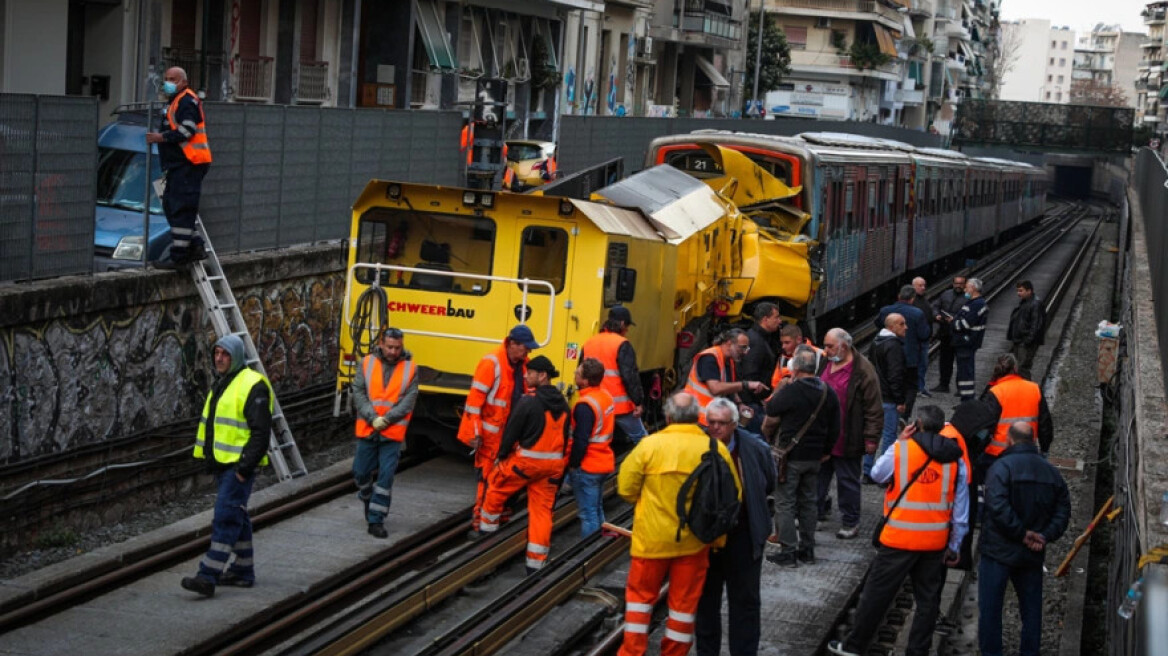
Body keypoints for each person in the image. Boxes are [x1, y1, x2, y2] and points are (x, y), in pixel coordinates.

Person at [827, 406, 968, 656]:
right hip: (935, 542)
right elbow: (960, 510)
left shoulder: (901, 450)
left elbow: (877, 473)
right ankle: (918, 651)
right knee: (928, 600)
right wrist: (955, 545)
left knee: (877, 594)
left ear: (917, 425)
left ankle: (854, 645)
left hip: (898, 539)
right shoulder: (956, 459)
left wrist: (898, 442)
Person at [617, 393, 741, 656]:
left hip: (650, 541)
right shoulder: (714, 449)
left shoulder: (650, 446)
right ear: (698, 417)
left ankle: (632, 652)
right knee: (683, 608)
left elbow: (625, 488)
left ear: (669, 416)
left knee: (639, 602)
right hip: (694, 543)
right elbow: (733, 496)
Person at [181, 334, 271, 597]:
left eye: (225, 354)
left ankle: (207, 575)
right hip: (224, 464)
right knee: (237, 516)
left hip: (237, 466)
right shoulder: (225, 382)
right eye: (216, 353)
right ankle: (243, 571)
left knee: (225, 517)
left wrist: (244, 468)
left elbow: (260, 433)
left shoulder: (253, 384)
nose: (219, 358)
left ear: (237, 357)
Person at [978, 422, 1071, 656]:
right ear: (1034, 440)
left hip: (998, 551)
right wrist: (1045, 535)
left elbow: (997, 506)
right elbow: (1063, 511)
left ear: (1010, 439)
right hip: (1032, 554)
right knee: (1031, 611)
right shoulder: (1051, 472)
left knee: (990, 611)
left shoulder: (1001, 468)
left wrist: (1021, 533)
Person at [472, 356, 570, 573]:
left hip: (525, 464)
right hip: (552, 468)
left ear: (542, 375)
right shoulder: (563, 405)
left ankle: (486, 543)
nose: (526, 376)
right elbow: (565, 440)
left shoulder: (528, 401)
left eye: (530, 373)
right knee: (542, 513)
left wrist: (502, 455)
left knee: (495, 488)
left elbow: (511, 434)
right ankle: (535, 565)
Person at [695, 398, 776, 656]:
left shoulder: (753, 448)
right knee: (707, 603)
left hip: (743, 535)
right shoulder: (697, 449)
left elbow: (768, 483)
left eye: (722, 423)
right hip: (707, 539)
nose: (716, 428)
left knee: (745, 603)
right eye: (712, 423)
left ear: (734, 424)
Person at [762, 349, 840, 566]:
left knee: (785, 502)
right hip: (815, 457)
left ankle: (788, 551)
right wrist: (826, 450)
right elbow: (836, 426)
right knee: (808, 503)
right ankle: (808, 549)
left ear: (795, 368)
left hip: (790, 457)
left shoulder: (792, 390)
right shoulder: (827, 391)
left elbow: (772, 409)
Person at [457, 324, 538, 533]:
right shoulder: (491, 363)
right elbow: (474, 403)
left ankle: (499, 519)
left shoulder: (523, 365)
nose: (528, 352)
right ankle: (479, 524)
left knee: (509, 479)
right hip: (491, 436)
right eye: (525, 348)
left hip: (512, 436)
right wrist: (475, 432)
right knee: (487, 480)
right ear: (512, 344)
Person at [351, 326, 418, 539]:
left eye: (397, 348)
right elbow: (358, 392)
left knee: (386, 477)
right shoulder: (367, 363)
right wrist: (373, 418)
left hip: (392, 433)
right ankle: (367, 497)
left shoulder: (411, 368)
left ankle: (376, 520)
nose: (393, 351)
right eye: (389, 347)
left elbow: (408, 401)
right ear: (381, 344)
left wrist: (387, 420)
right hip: (368, 428)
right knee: (360, 472)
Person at [816, 328, 883, 539]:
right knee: (817, 479)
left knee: (847, 481)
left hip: (848, 436)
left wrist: (871, 438)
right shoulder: (824, 362)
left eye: (829, 346)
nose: (825, 350)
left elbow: (873, 408)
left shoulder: (863, 370)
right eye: (825, 346)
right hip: (822, 437)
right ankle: (815, 514)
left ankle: (850, 521)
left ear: (843, 346)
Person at [146, 66, 211, 268]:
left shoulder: (186, 100)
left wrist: (161, 137)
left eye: (172, 79)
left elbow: (188, 130)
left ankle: (179, 256)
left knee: (181, 208)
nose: (168, 82)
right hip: (182, 164)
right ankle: (195, 245)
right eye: (166, 78)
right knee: (171, 205)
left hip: (190, 162)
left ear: (183, 81)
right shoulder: (176, 101)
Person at [580, 306, 647, 444]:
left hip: (595, 405)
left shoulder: (589, 343)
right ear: (622, 324)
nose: (627, 330)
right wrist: (638, 402)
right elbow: (630, 377)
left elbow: (580, 374)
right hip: (619, 407)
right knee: (642, 439)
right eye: (627, 326)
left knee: (593, 441)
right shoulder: (621, 344)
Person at [567, 358, 615, 538]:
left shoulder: (585, 406)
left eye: (577, 374)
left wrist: (572, 464)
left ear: (585, 381)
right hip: (603, 462)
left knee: (588, 515)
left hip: (588, 466)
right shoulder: (605, 396)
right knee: (596, 507)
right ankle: (600, 544)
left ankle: (590, 551)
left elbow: (581, 440)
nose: (574, 375)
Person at [683, 328, 767, 425]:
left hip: (714, 420)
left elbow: (728, 386)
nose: (745, 352)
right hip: (699, 420)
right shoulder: (709, 358)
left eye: (746, 348)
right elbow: (715, 388)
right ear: (729, 343)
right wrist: (746, 384)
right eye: (742, 347)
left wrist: (739, 404)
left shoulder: (729, 360)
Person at [981, 353, 1054, 461]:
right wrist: (1044, 449)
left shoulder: (996, 391)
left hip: (996, 453)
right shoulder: (1034, 389)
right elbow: (1045, 424)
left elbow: (985, 425)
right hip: (1027, 451)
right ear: (1015, 368)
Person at [865, 313, 907, 480]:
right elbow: (895, 375)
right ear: (891, 327)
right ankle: (884, 473)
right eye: (902, 324)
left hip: (875, 396)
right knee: (889, 435)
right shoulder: (894, 346)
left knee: (872, 433)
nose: (906, 327)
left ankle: (867, 471)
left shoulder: (875, 342)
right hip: (889, 398)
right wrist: (900, 400)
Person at [874, 286, 929, 414]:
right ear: (912, 298)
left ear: (899, 296)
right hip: (910, 358)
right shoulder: (918, 313)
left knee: (888, 383)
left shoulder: (885, 311)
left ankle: (888, 411)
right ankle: (904, 414)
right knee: (910, 387)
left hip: (887, 356)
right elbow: (924, 334)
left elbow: (877, 325)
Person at [738, 302, 783, 431]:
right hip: (752, 404)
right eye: (776, 317)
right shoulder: (756, 343)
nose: (779, 321)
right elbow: (749, 374)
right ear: (765, 319)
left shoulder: (759, 338)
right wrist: (761, 398)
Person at [948, 278, 988, 400]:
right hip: (966, 342)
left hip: (967, 342)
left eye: (967, 287)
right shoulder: (973, 303)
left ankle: (967, 400)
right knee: (963, 372)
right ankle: (965, 399)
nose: (965, 289)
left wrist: (953, 322)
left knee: (966, 373)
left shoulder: (976, 304)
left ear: (973, 288)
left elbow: (965, 324)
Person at [931, 275, 968, 394]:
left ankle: (961, 388)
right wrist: (937, 314)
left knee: (961, 362)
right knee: (945, 360)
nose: (958, 286)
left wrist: (955, 319)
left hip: (960, 334)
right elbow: (935, 306)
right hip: (946, 333)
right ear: (953, 284)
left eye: (961, 283)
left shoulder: (968, 297)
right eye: (956, 283)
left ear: (965, 285)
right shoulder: (945, 294)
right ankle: (943, 384)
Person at [1007, 280, 1046, 380]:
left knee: (1022, 368)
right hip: (1020, 341)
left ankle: (1026, 391)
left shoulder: (1035, 304)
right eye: (1017, 291)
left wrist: (1027, 341)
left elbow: (1036, 325)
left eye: (1021, 291)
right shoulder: (1025, 302)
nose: (1018, 293)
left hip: (1025, 342)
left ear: (1029, 291)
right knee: (1018, 367)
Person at [770, 324, 825, 389]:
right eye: (782, 343)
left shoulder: (820, 355)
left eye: (787, 342)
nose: (783, 346)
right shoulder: (782, 358)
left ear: (798, 339)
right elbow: (775, 384)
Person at [910, 277, 933, 396]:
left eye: (924, 285)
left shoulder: (923, 300)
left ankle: (920, 387)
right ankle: (917, 388)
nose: (923, 288)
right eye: (920, 285)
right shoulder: (914, 302)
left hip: (923, 339)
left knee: (922, 365)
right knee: (919, 364)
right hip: (917, 340)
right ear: (913, 287)